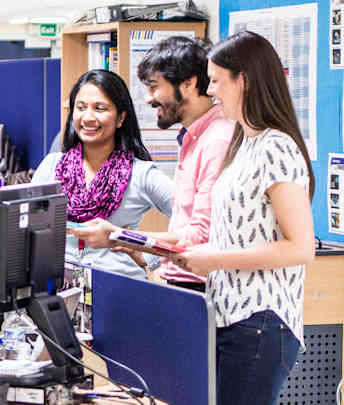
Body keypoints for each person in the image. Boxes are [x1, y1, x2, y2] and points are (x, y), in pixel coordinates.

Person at [173, 31, 315, 404]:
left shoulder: (276, 147)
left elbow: (300, 248)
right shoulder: (244, 143)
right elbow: (238, 233)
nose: (211, 90)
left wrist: (214, 260)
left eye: (217, 81)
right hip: (228, 316)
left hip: (260, 322)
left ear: (245, 81)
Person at [70, 37, 234, 292]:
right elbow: (185, 225)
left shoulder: (216, 140)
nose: (148, 99)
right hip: (180, 282)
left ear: (189, 83)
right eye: (80, 107)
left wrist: (120, 237)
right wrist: (135, 245)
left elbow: (201, 236)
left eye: (154, 87)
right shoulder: (193, 139)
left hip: (202, 288)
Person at [31, 69, 173, 279]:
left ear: (121, 117)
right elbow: (23, 228)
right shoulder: (52, 166)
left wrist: (136, 246)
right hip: (58, 293)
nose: (88, 117)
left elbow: (194, 228)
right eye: (80, 108)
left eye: (99, 108)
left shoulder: (141, 173)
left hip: (118, 292)